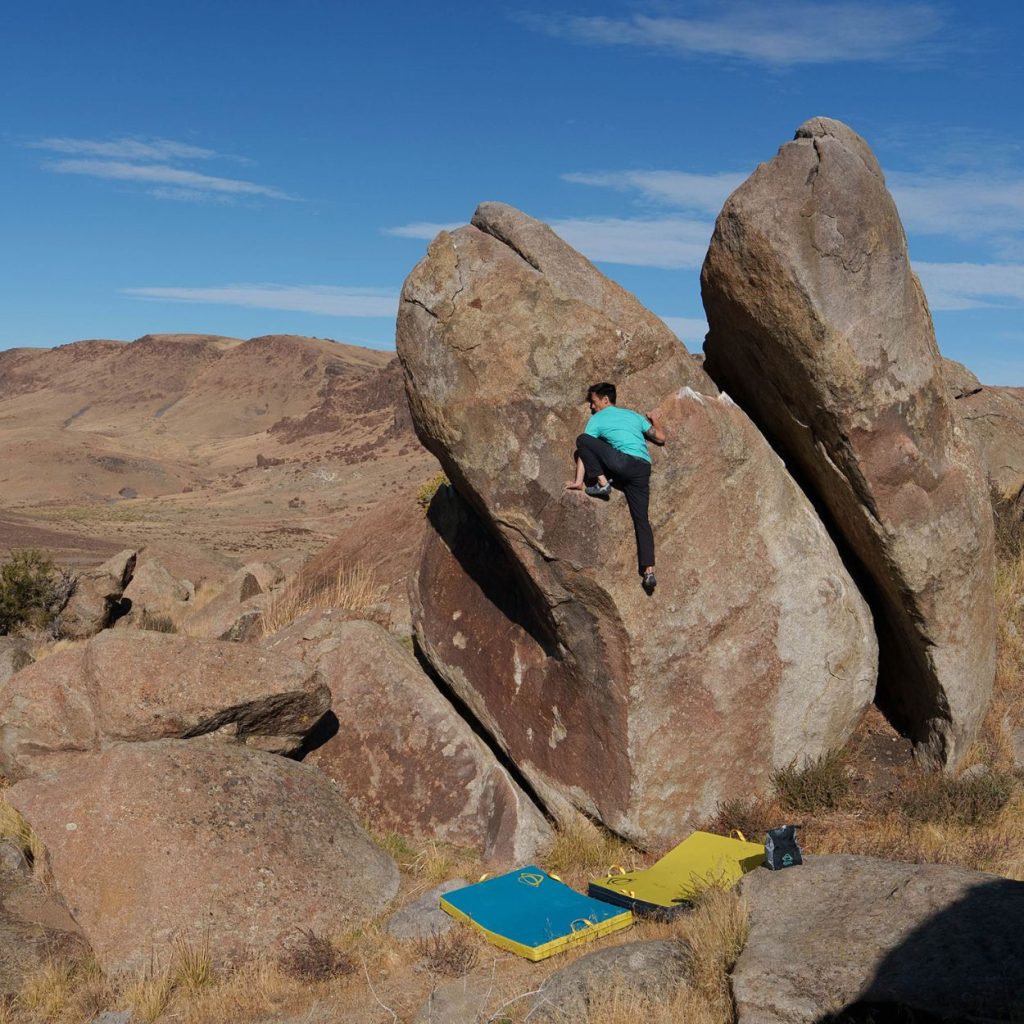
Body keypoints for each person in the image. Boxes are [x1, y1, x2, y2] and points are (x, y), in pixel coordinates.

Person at [565, 381, 665, 594]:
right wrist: (655, 420)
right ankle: (649, 571)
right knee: (642, 520)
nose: (592, 407)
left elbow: (584, 447)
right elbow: (660, 438)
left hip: (622, 464)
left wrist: (579, 481)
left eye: (593, 402)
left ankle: (602, 484)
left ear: (605, 400)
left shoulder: (598, 419)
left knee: (582, 438)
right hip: (642, 469)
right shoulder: (633, 415)